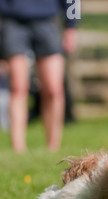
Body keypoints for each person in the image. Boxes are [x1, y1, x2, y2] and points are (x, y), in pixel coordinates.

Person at [0, 0, 77, 153]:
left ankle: (53, 148)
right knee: (17, 86)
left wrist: (72, 26)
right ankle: (18, 150)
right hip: (12, 21)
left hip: (47, 21)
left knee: (53, 89)